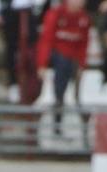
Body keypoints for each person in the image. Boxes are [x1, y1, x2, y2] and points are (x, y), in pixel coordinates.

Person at [35, 0, 90, 131]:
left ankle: (64, 103)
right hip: (56, 59)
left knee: (68, 65)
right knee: (63, 62)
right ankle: (57, 100)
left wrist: (82, 65)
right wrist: (42, 64)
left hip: (72, 61)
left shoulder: (84, 18)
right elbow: (46, 40)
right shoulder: (55, 14)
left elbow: (83, 45)